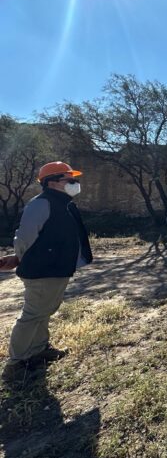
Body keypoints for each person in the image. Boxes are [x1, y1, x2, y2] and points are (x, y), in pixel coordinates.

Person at [1, 162, 93, 382]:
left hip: (56, 269)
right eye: (69, 180)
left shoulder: (63, 203)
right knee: (32, 315)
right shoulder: (42, 204)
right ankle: (16, 363)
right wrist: (19, 257)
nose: (74, 183)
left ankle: (38, 350)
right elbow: (24, 238)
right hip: (43, 270)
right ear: (52, 183)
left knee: (44, 311)